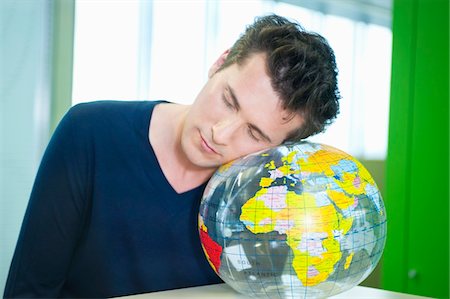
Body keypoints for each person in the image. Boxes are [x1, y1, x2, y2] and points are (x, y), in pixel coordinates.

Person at [3, 14, 340, 298]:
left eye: (253, 133)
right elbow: (29, 290)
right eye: (228, 100)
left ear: (279, 149)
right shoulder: (89, 131)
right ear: (220, 63)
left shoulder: (268, 204)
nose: (219, 133)